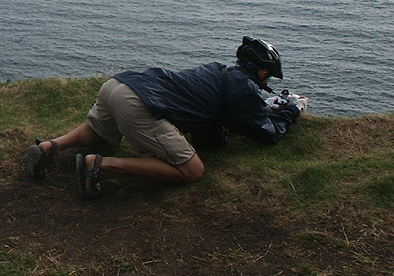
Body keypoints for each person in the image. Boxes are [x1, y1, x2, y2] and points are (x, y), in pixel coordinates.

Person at [23, 36, 308, 197]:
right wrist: (292, 110)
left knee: (98, 131)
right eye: (267, 75)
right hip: (138, 104)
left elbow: (211, 126)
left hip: (119, 85)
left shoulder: (219, 71)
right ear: (261, 72)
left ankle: (50, 146)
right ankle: (99, 165)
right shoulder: (244, 89)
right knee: (192, 170)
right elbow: (267, 133)